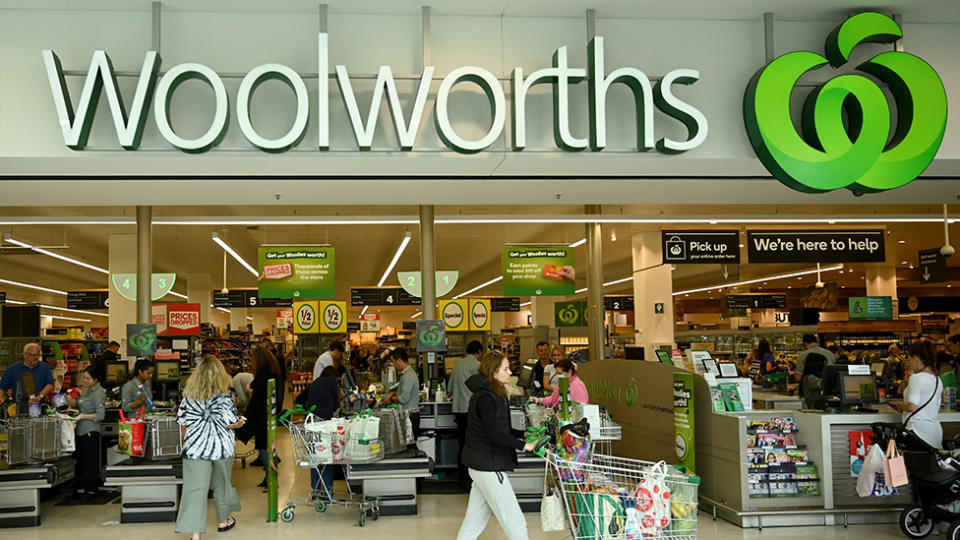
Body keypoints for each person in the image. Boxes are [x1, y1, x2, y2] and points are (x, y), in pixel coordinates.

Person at [456, 352, 537, 540]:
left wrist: (522, 433)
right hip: (489, 468)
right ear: (493, 372)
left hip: (479, 465)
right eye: (506, 369)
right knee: (515, 521)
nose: (510, 373)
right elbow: (494, 434)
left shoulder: (491, 394)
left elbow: (499, 427)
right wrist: (524, 445)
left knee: (473, 523)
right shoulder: (487, 398)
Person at [175, 355, 244, 540]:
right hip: (222, 448)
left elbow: (182, 423)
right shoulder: (225, 396)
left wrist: (192, 440)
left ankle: (195, 533)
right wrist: (240, 422)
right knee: (222, 485)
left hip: (195, 449)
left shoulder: (188, 396)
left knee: (195, 489)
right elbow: (230, 422)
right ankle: (223, 521)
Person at [236, 345, 282, 488]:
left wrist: (244, 418)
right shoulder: (273, 372)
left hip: (262, 417)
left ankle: (271, 478)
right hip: (269, 415)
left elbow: (257, 399)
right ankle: (269, 476)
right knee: (266, 446)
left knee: (263, 446)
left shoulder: (262, 375)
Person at [295, 365, 341, 501]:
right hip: (325, 424)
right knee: (326, 457)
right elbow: (337, 404)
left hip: (311, 423)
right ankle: (327, 491)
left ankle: (316, 490)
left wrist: (308, 408)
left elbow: (298, 399)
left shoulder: (314, 383)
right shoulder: (333, 381)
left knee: (314, 456)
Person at [892, 341, 943, 449]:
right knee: (929, 465)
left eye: (909, 359)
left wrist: (900, 406)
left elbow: (912, 406)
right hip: (934, 433)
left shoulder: (917, 378)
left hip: (917, 432)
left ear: (915, 358)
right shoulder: (937, 379)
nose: (909, 363)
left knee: (911, 464)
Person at [65, 366, 105, 495]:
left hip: (90, 430)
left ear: (96, 379)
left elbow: (100, 415)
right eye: (84, 378)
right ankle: (80, 487)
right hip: (80, 429)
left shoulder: (99, 393)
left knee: (90, 461)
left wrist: (82, 416)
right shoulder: (87, 390)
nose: (85, 381)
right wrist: (69, 400)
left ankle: (91, 488)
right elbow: (80, 404)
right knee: (80, 460)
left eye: (88, 378)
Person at [449, 340, 483, 489]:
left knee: (462, 441)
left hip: (458, 409)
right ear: (479, 352)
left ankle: (461, 472)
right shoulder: (476, 365)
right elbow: (482, 388)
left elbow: (449, 388)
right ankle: (469, 476)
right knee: (472, 443)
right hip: (471, 410)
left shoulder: (457, 365)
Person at [386, 348, 420, 438]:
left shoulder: (407, 376)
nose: (394, 365)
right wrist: (393, 394)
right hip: (410, 415)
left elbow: (403, 399)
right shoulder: (408, 373)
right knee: (409, 446)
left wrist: (390, 398)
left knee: (410, 447)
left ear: (399, 361)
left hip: (410, 417)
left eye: (394, 362)